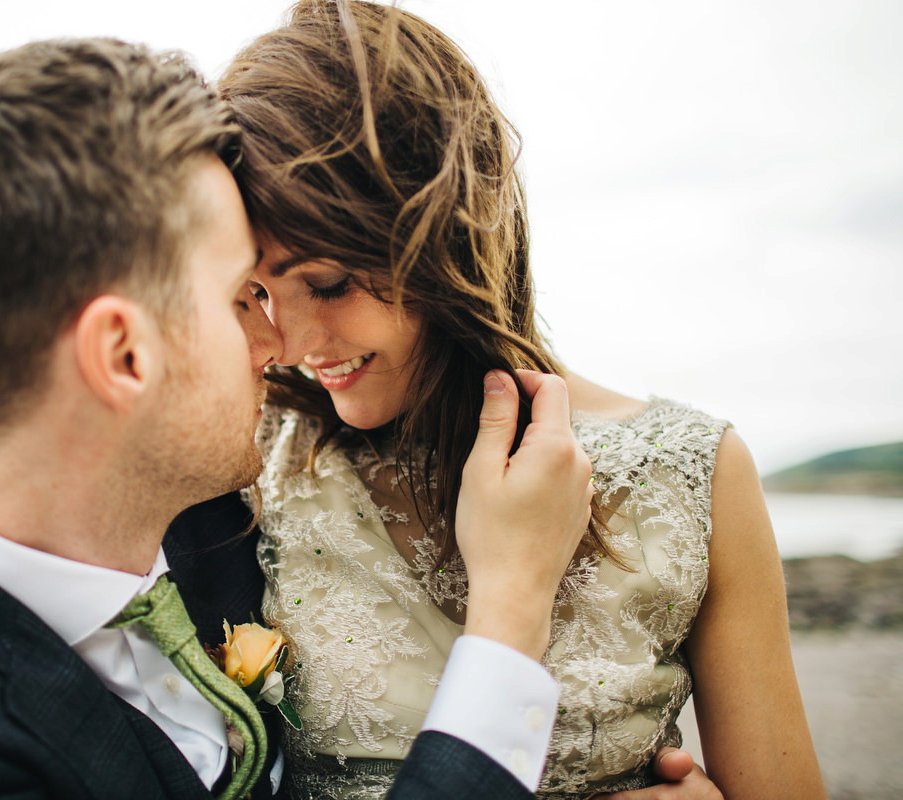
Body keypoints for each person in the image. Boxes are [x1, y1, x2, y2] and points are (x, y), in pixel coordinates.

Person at [0, 10, 723, 800]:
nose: (279, 346)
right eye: (247, 295)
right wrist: (507, 615)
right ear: (124, 353)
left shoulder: (179, 523)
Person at [210, 2, 825, 799]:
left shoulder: (696, 475)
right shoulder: (242, 466)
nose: (290, 342)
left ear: (450, 231)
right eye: (257, 290)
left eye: (329, 282)